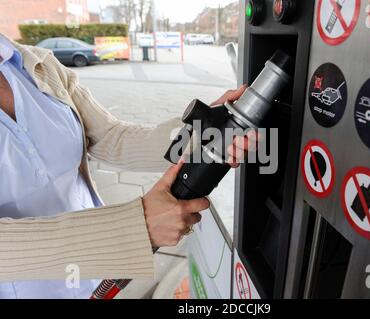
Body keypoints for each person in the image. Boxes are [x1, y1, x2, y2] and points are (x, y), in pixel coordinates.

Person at [0, 33, 254, 299]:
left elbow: (110, 137)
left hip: (96, 275)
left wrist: (200, 134)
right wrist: (134, 226)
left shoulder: (36, 64)